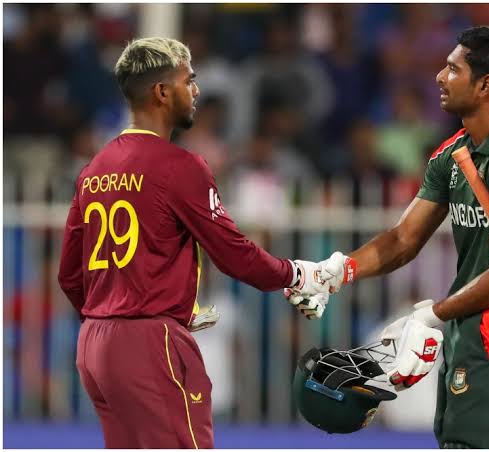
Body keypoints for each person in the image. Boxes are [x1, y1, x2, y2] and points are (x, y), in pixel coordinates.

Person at [57, 37, 344, 449]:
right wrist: (298, 274)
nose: (196, 91)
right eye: (188, 81)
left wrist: (119, 314)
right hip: (151, 346)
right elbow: (234, 255)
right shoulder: (180, 166)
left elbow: (70, 276)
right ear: (161, 91)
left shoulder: (94, 170)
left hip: (96, 346)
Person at [294, 26, 489, 448]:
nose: (438, 76)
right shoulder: (453, 153)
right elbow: (403, 240)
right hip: (465, 325)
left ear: (485, 84)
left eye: (453, 69)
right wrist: (338, 270)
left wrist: (431, 315)